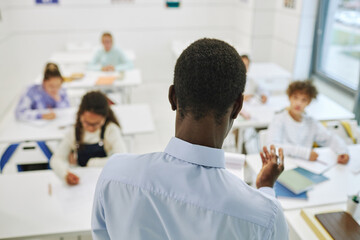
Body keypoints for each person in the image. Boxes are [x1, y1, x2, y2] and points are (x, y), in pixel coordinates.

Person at [92, 38, 288, 239]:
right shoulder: (265, 216)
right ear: (238, 106)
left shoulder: (114, 174)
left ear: (173, 97)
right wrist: (265, 189)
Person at [50, 91, 127, 185]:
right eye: (87, 123)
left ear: (105, 118)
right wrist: (65, 174)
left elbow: (122, 159)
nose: (91, 128)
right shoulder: (74, 132)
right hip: (82, 181)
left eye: (96, 124)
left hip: (107, 180)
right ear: (80, 115)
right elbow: (57, 159)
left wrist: (91, 163)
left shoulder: (111, 130)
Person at [267, 80, 349, 164]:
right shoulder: (279, 119)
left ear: (308, 102)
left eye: (304, 100)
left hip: (306, 165)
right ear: (289, 97)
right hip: (283, 164)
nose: (298, 103)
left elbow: (330, 138)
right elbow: (273, 147)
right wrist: (305, 153)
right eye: (295, 97)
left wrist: (343, 151)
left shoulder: (311, 122)